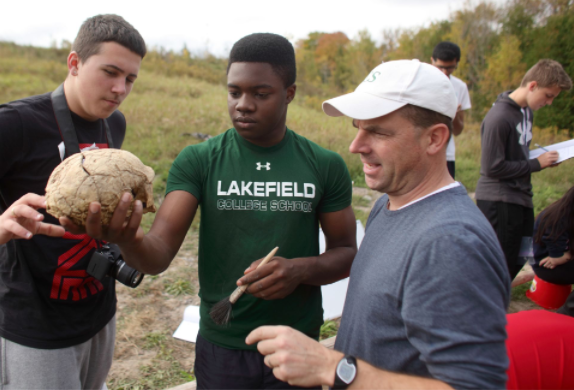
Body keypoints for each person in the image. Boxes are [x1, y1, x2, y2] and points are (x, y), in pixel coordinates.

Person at [66, 33, 357, 389]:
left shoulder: (324, 165)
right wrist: (128, 238)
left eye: (260, 94)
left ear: (290, 94)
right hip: (223, 347)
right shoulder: (199, 161)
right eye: (234, 93)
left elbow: (346, 254)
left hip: (298, 344)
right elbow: (156, 257)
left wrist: (299, 270)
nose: (243, 105)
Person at [246, 59, 510, 389]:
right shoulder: (388, 204)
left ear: (434, 139)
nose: (356, 146)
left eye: (380, 132)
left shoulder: (449, 243)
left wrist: (334, 368)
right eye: (357, 127)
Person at [0, 14, 146, 389]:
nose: (119, 89)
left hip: (98, 308)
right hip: (35, 322)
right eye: (110, 72)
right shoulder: (16, 124)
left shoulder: (115, 124)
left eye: (129, 78)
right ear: (75, 63)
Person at [475, 59, 572, 280]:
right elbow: (492, 167)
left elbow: (517, 155)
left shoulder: (526, 112)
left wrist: (541, 158)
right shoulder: (499, 117)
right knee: (501, 261)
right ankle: (485, 305)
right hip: (500, 200)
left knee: (524, 254)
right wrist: (537, 164)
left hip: (522, 197)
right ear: (532, 85)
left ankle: (496, 300)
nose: (549, 103)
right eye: (548, 95)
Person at [430, 41, 472, 179]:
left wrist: (453, 114)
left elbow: (458, 130)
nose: (444, 72)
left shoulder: (460, 87)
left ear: (457, 63)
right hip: (420, 152)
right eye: (440, 67)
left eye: (449, 68)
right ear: (432, 61)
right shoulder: (419, 84)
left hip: (446, 155)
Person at [531, 185, 574, 317]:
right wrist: (564, 256)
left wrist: (567, 255)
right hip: (547, 266)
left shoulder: (565, 211)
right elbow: (557, 257)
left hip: (553, 260)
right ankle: (567, 313)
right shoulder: (557, 220)